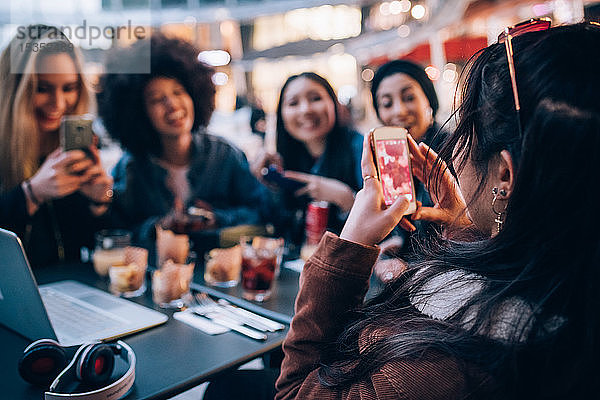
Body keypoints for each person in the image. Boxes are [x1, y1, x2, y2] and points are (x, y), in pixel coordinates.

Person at [276, 21, 600, 399]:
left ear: (505, 174)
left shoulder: (438, 367)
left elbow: (294, 392)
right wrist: (467, 228)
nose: (455, 154)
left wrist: (349, 245)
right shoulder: (569, 291)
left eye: (465, 132)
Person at [98, 33, 266, 251]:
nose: (173, 105)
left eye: (178, 92)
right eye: (157, 99)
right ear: (138, 112)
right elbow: (118, 232)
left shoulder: (224, 155)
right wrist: (159, 226)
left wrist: (216, 219)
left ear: (195, 94)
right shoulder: (130, 169)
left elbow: (261, 211)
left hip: (221, 276)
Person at [0, 25, 113, 268]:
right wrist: (31, 194)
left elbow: (87, 245)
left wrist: (98, 203)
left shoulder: (75, 145)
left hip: (68, 293)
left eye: (69, 88)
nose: (58, 103)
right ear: (13, 90)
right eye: (41, 88)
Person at [250, 72, 363, 253]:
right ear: (281, 116)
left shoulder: (362, 149)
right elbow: (271, 225)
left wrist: (346, 199)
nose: (305, 110)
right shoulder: (281, 160)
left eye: (315, 98)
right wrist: (267, 184)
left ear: (334, 103)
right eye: (293, 103)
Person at [370, 59, 449, 281]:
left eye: (409, 98)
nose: (399, 111)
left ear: (429, 101)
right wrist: (391, 250)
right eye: (387, 103)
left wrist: (411, 267)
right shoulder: (388, 160)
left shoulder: (454, 151)